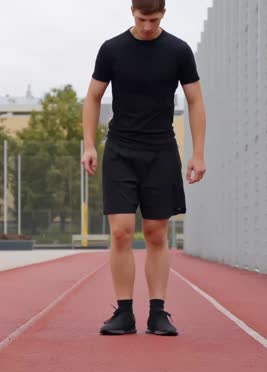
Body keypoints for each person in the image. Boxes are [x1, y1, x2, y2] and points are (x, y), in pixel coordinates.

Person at [81, 0, 206, 336]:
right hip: (120, 150)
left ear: (163, 14)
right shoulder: (112, 50)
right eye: (141, 19)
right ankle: (124, 313)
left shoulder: (178, 51)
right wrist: (90, 145)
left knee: (155, 232)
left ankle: (157, 313)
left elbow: (195, 100)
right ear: (132, 13)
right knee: (121, 230)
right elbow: (93, 97)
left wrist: (199, 154)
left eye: (153, 19)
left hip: (161, 151)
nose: (148, 26)